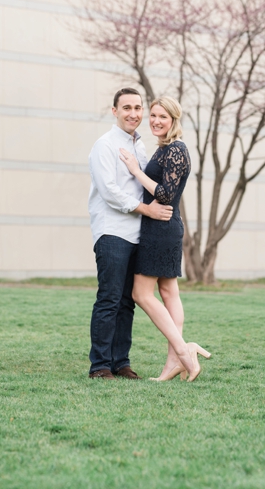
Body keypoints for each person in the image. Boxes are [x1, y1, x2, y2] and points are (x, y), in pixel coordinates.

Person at [118, 96, 210, 382]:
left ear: (174, 120)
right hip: (162, 226)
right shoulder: (165, 149)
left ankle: (184, 351)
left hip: (161, 228)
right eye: (154, 115)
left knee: (141, 294)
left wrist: (135, 171)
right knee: (169, 293)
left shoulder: (176, 150)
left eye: (163, 117)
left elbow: (166, 194)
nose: (156, 120)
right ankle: (174, 362)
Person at [86, 88, 173, 380]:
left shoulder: (140, 146)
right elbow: (110, 192)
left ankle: (120, 362)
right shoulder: (105, 145)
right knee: (109, 298)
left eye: (138, 108)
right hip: (112, 232)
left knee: (127, 301)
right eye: (126, 108)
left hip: (137, 234)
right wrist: (147, 211)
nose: (133, 114)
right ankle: (100, 365)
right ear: (115, 111)